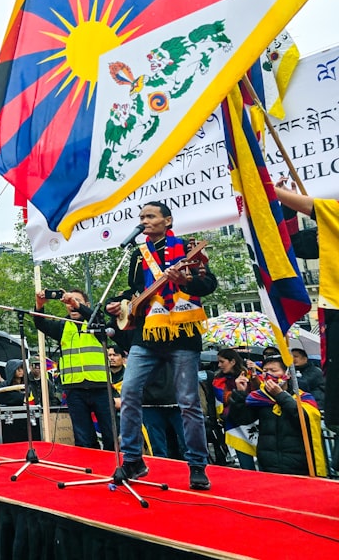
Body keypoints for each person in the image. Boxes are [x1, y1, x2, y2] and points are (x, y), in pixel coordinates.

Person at [106, 201, 217, 490]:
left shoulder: (188, 249)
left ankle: (197, 465)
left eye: (151, 216)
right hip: (146, 336)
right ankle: (133, 459)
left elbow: (209, 285)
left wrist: (186, 283)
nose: (144, 220)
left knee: (188, 402)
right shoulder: (137, 253)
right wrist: (121, 304)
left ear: (168, 220)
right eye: (141, 217)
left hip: (183, 334)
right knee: (129, 392)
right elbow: (134, 290)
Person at [35, 289, 114, 450]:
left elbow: (98, 317)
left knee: (111, 435)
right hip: (74, 389)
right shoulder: (63, 325)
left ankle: (116, 468)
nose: (71, 304)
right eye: (68, 302)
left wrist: (76, 304)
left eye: (76, 301)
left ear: (87, 304)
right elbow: (40, 324)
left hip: (101, 387)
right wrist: (39, 305)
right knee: (83, 439)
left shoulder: (96, 323)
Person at [228, 356, 325, 475]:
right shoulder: (260, 398)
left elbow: (306, 420)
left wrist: (280, 396)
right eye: (265, 371)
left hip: (298, 465)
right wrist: (240, 393)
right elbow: (243, 419)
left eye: (273, 371)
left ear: (287, 374)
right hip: (268, 464)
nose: (268, 374)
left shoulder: (303, 398)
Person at [211, 348, 257, 470]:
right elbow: (222, 397)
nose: (219, 365)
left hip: (255, 420)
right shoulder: (218, 379)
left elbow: (259, 393)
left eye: (222, 361)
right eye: (218, 362)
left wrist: (254, 377)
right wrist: (239, 391)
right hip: (234, 422)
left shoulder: (249, 374)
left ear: (232, 362)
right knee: (245, 463)